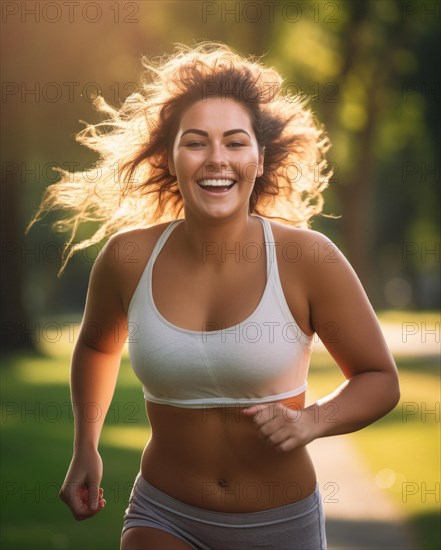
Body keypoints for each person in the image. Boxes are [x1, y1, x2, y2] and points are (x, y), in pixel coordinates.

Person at [31, 43, 400, 550]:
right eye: (196, 142)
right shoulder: (128, 258)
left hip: (280, 522)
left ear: (260, 157)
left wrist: (314, 420)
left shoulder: (307, 259)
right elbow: (97, 346)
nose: (217, 160)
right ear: (171, 156)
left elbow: (379, 379)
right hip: (164, 514)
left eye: (235, 142)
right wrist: (85, 449)